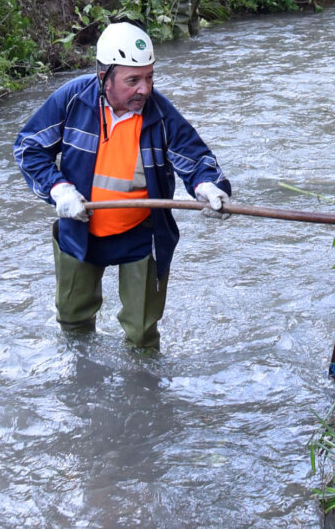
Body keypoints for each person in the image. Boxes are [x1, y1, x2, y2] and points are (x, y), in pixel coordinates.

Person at [14, 22, 233, 349]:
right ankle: (82, 384)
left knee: (141, 335)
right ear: (104, 78)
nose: (144, 89)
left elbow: (195, 157)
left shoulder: (160, 113)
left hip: (142, 238)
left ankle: (144, 392)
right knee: (72, 321)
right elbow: (29, 147)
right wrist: (57, 188)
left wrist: (208, 187)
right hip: (80, 231)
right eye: (133, 80)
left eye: (149, 77)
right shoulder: (73, 100)